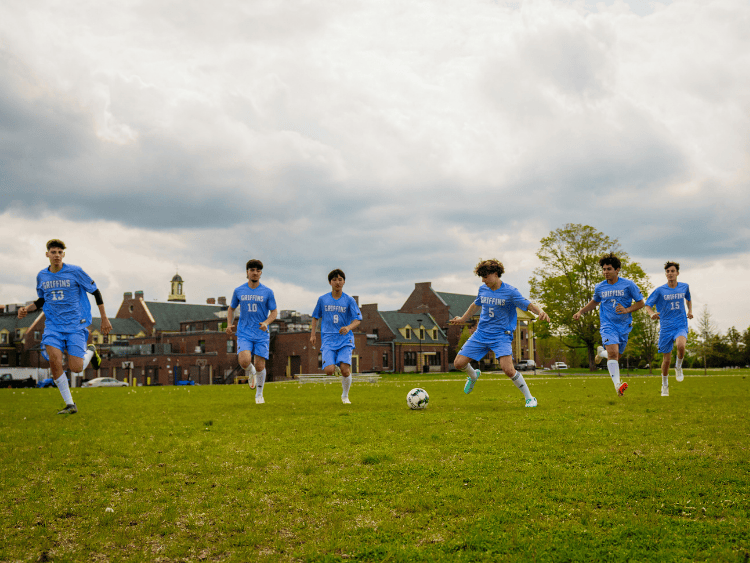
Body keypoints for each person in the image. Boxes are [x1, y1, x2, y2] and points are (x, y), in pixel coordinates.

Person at [17, 239, 111, 414]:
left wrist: (104, 318)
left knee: (76, 368)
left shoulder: (75, 271)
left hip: (75, 325)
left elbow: (96, 291)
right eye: (53, 252)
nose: (57, 255)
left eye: (60, 252)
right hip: (53, 326)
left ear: (63, 255)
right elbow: (41, 300)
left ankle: (90, 351)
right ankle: (70, 404)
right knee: (54, 360)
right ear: (47, 254)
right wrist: (26, 309)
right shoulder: (42, 276)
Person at [449, 259, 549, 407]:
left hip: (501, 335)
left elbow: (528, 305)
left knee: (508, 370)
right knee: (458, 363)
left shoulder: (510, 292)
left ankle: (530, 398)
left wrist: (540, 311)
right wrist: (463, 319)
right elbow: (475, 304)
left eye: (486, 277)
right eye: (481, 277)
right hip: (481, 333)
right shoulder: (483, 289)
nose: (483, 281)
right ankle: (473, 375)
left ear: (495, 274)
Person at [573, 252, 645, 397]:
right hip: (607, 325)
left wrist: (627, 310)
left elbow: (641, 303)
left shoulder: (628, 285)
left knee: (615, 355)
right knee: (613, 354)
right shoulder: (600, 287)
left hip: (624, 326)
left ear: (617, 269)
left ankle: (601, 353)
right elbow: (595, 301)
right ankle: (618, 386)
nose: (605, 272)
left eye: (609, 269)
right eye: (604, 269)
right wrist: (581, 311)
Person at [226, 259, 278, 404]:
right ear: (247, 272)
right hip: (244, 332)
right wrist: (229, 324)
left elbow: (274, 312)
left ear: (261, 273)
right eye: (252, 270)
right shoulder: (239, 290)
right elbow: (231, 308)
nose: (255, 273)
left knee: (261, 365)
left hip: (261, 333)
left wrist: (266, 323)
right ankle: (251, 371)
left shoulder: (267, 292)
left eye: (258, 270)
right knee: (244, 361)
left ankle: (259, 395)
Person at [310, 269, 362, 404]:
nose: (337, 282)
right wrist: (313, 334)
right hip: (328, 339)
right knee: (329, 370)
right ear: (329, 282)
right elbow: (315, 317)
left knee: (345, 371)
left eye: (340, 279)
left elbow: (358, 319)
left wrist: (348, 327)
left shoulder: (349, 300)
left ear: (344, 282)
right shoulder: (323, 299)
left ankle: (345, 396)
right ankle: (336, 365)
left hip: (345, 339)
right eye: (334, 280)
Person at [644, 261, 693, 397]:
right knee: (666, 360)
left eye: (672, 271)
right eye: (668, 271)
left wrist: (690, 310)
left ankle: (678, 367)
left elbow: (688, 298)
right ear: (665, 274)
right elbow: (648, 304)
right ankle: (664, 385)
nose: (670, 274)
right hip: (666, 327)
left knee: (681, 346)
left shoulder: (684, 286)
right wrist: (652, 313)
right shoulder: (660, 290)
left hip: (680, 324)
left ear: (677, 273)